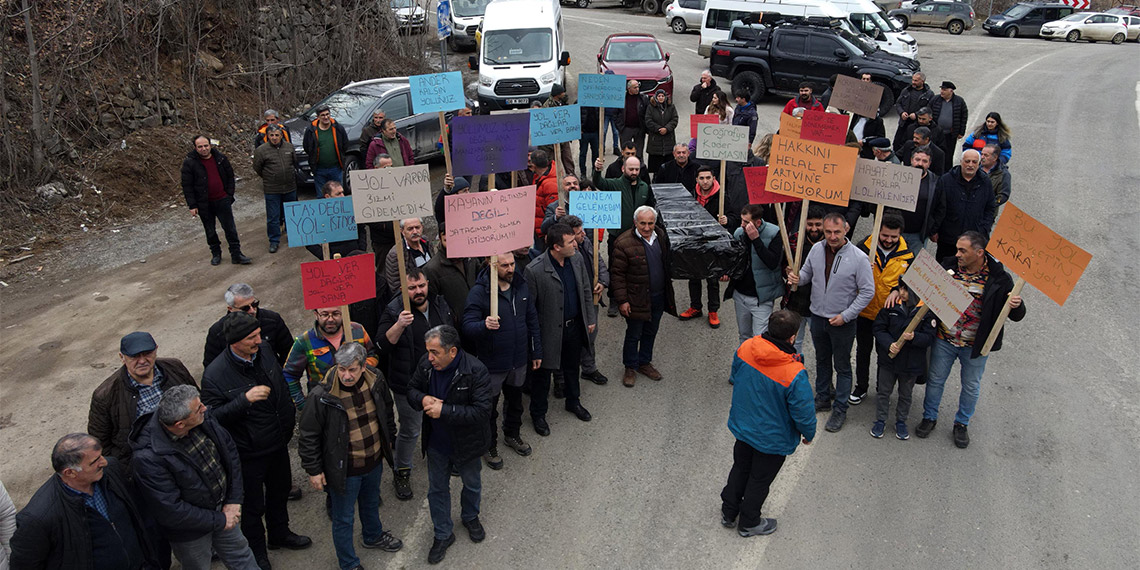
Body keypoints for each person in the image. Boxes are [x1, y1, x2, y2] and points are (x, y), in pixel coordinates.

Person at [201, 312, 311, 568]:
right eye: (252, 337)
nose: (259, 341)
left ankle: (279, 534)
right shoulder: (215, 375)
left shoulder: (264, 350)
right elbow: (212, 418)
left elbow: (281, 382)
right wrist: (244, 400)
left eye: (259, 335)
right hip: (248, 453)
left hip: (277, 441)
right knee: (252, 507)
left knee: (280, 491)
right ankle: (258, 552)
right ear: (234, 342)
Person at [297, 342, 403, 569]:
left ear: (364, 366)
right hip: (344, 469)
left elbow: (386, 408)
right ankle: (348, 562)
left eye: (352, 370)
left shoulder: (376, 379)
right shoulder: (321, 395)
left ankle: (372, 536)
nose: (346, 375)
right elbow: (308, 435)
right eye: (341, 369)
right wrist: (314, 470)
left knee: (371, 502)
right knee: (343, 519)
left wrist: (390, 436)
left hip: (374, 459)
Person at [917, 232, 1026, 448]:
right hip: (944, 339)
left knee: (970, 386)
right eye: (957, 249)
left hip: (976, 345)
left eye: (962, 250)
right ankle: (929, 417)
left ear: (979, 253)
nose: (956, 254)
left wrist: (1017, 304)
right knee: (936, 380)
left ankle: (961, 424)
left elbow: (1016, 315)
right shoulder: (948, 266)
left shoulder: (1000, 279)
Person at [130, 385, 258, 570]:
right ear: (180, 424)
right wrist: (220, 520)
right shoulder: (148, 459)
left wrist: (234, 499)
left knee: (241, 556)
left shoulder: (201, 419)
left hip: (224, 510)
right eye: (198, 409)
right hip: (190, 533)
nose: (205, 408)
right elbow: (171, 510)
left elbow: (230, 454)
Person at [719, 310, 815, 537]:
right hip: (772, 438)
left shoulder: (747, 347)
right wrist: (808, 433)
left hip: (743, 426)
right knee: (759, 479)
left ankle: (729, 511)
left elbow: (735, 374)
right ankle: (749, 521)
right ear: (792, 337)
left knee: (740, 467)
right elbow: (803, 412)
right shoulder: (793, 372)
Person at [406, 325, 493, 565]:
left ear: (452, 351)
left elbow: (482, 411)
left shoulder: (476, 371)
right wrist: (422, 398)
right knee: (437, 490)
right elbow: (411, 389)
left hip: (468, 443)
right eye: (428, 352)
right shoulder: (426, 365)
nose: (429, 357)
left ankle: (470, 516)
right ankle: (443, 534)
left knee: (472, 483)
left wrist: (445, 410)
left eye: (435, 352)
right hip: (437, 443)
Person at [10, 433, 158, 570]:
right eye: (95, 461)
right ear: (70, 472)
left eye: (101, 455)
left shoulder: (111, 470)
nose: (104, 462)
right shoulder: (38, 518)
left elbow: (138, 515)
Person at [786, 213, 874, 433]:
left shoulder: (859, 258)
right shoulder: (816, 249)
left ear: (846, 229)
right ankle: (823, 397)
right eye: (828, 232)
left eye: (837, 231)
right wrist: (796, 277)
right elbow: (806, 275)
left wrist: (846, 315)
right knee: (822, 360)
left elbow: (867, 291)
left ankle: (840, 409)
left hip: (842, 322)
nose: (832, 236)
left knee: (842, 366)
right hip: (817, 316)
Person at [377, 268, 454, 500]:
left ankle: (443, 456)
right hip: (409, 384)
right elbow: (381, 346)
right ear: (403, 289)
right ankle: (402, 471)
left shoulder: (439, 303)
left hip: (441, 379)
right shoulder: (393, 311)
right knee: (410, 430)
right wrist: (399, 325)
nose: (418, 291)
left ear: (427, 284)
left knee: (442, 420)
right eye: (412, 288)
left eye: (421, 286)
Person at [462, 254, 542, 468]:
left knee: (515, 402)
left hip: (518, 359)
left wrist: (536, 351)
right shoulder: (480, 292)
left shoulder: (521, 285)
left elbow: (532, 318)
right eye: (504, 265)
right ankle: (489, 445)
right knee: (489, 407)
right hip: (493, 363)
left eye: (512, 264)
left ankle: (512, 434)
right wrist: (483, 325)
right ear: (492, 265)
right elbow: (467, 326)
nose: (510, 268)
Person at [524, 223, 597, 428]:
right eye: (571, 241)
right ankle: (538, 414)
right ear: (557, 246)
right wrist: (534, 341)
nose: (576, 244)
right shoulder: (534, 270)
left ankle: (573, 402)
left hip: (573, 327)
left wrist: (589, 318)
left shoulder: (577, 259)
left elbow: (584, 288)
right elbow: (530, 310)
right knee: (543, 375)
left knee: (572, 368)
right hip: (548, 332)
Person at [89, 331, 197, 467]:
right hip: (150, 462)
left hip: (190, 443)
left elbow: (198, 402)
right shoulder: (105, 395)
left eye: (147, 354)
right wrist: (129, 470)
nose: (142, 361)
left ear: (156, 350)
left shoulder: (174, 368)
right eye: (134, 356)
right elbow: (100, 443)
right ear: (122, 357)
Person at [850, 213, 915, 406]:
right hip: (863, 311)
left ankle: (882, 390)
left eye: (893, 237)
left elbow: (911, 284)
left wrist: (897, 290)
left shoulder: (909, 255)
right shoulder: (861, 248)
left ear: (900, 235)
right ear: (878, 231)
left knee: (885, 353)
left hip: (888, 316)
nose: (888, 240)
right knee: (863, 351)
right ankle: (861, 386)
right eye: (885, 235)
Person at [611, 206, 677, 387]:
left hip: (658, 296)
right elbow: (617, 275)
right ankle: (630, 367)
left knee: (651, 331)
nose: (647, 228)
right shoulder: (623, 243)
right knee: (634, 334)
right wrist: (622, 301)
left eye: (650, 223)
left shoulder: (661, 236)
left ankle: (644, 363)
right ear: (635, 223)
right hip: (635, 299)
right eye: (643, 223)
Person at [870, 280, 936, 440]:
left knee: (906, 394)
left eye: (906, 289)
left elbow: (930, 337)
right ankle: (880, 420)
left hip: (911, 364)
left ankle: (901, 421)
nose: (901, 292)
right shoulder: (891, 305)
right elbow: (879, 328)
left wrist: (915, 337)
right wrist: (888, 344)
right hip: (889, 360)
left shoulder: (926, 311)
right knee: (884, 392)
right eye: (900, 288)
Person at [594, 154, 656, 318]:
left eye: (637, 169)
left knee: (636, 269)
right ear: (623, 169)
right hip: (617, 237)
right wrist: (597, 170)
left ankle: (635, 298)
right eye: (631, 169)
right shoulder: (615, 184)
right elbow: (598, 183)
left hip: (638, 237)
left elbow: (650, 208)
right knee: (616, 269)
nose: (634, 172)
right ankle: (614, 300)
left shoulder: (644, 187)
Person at [282, 307, 378, 408]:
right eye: (324, 314)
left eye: (336, 314)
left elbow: (372, 355)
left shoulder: (357, 330)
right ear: (316, 315)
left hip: (359, 402)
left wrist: (358, 368)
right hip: (325, 407)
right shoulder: (304, 341)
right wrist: (302, 404)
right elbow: (289, 375)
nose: (331, 319)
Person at [181, 135, 250, 266]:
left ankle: (236, 254)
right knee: (210, 230)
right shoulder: (190, 163)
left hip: (222, 199)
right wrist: (192, 205)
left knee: (230, 229)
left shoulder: (221, 158)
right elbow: (187, 186)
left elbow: (230, 177)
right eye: (200, 147)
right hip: (204, 203)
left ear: (210, 145)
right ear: (195, 148)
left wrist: (229, 194)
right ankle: (216, 254)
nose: (203, 149)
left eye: (206, 146)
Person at [678, 167, 729, 328]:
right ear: (697, 180)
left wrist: (727, 221)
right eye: (702, 178)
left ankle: (713, 310)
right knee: (693, 277)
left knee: (712, 279)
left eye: (708, 177)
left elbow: (735, 216)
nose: (705, 181)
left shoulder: (722, 197)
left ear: (714, 178)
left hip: (713, 244)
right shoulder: (691, 196)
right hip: (694, 242)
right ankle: (695, 307)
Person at [564, 215, 610, 386]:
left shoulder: (586, 242)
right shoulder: (565, 253)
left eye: (582, 230)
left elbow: (599, 262)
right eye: (578, 233)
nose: (583, 234)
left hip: (592, 298)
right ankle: (564, 377)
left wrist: (603, 282)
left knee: (591, 334)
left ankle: (589, 368)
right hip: (574, 302)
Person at [204, 283, 293, 369]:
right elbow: (212, 368)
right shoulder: (217, 332)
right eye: (245, 308)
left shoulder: (272, 320)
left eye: (254, 304)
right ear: (230, 309)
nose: (252, 310)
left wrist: (281, 376)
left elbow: (289, 352)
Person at [730, 204, 785, 345]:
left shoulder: (774, 233)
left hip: (761, 299)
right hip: (741, 295)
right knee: (744, 336)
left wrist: (756, 240)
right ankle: (745, 365)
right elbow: (734, 260)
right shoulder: (738, 233)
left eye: (746, 222)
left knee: (760, 340)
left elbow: (772, 263)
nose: (742, 225)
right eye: (742, 220)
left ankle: (758, 366)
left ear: (758, 222)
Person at [929, 149, 996, 260]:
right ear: (961, 162)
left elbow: (990, 208)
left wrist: (984, 229)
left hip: (973, 240)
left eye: (974, 162)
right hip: (948, 238)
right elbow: (936, 206)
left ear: (979, 164)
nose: (970, 165)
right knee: (944, 269)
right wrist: (934, 230)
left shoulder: (985, 182)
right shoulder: (946, 180)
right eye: (967, 161)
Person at [778, 206, 825, 352]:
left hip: (818, 304)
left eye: (818, 224)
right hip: (795, 301)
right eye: (810, 224)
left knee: (821, 345)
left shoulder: (830, 245)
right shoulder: (794, 240)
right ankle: (795, 372)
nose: (814, 228)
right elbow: (783, 265)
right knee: (793, 343)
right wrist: (787, 272)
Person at [252, 125, 297, 254]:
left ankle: (293, 236)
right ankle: (274, 240)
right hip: (272, 189)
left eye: (277, 135)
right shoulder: (261, 150)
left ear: (281, 135)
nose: (274, 138)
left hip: (290, 187)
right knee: (273, 216)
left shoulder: (289, 147)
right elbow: (257, 168)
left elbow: (294, 163)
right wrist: (270, 177)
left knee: (291, 214)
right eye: (271, 135)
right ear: (267, 136)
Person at [423, 224, 481, 325]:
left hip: (478, 318)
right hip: (455, 325)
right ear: (440, 239)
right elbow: (433, 304)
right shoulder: (432, 269)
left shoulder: (471, 258)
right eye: (446, 239)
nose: (451, 242)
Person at [304, 181, 367, 260]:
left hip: (356, 255)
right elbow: (309, 241)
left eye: (342, 192)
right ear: (327, 196)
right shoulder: (320, 216)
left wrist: (361, 250)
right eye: (338, 194)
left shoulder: (350, 209)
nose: (343, 196)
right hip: (335, 259)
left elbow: (361, 229)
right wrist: (327, 257)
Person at [302, 106, 348, 192]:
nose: (326, 117)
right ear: (318, 117)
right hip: (319, 169)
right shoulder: (311, 130)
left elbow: (345, 144)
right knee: (321, 196)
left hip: (336, 168)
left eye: (327, 114)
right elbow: (307, 147)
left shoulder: (338, 128)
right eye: (323, 115)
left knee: (337, 194)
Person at [900, 148, 938, 249]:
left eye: (924, 161)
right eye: (917, 159)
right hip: (896, 232)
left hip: (918, 236)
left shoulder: (935, 182)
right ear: (911, 160)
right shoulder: (899, 176)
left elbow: (939, 208)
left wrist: (932, 229)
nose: (920, 163)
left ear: (929, 163)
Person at [383, 217, 433, 295]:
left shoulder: (426, 242)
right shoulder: (396, 254)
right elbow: (395, 285)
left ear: (422, 227)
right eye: (410, 229)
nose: (415, 231)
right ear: (402, 231)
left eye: (417, 227)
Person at [929, 81, 968, 168]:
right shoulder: (935, 100)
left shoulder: (959, 101)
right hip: (936, 134)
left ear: (951, 91)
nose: (942, 91)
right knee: (934, 153)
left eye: (944, 89)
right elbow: (928, 112)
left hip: (950, 134)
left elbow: (963, 117)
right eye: (941, 89)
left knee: (948, 155)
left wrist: (961, 132)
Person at [892, 72, 934, 150]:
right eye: (913, 80)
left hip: (916, 125)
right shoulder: (906, 90)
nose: (913, 82)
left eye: (916, 81)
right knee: (897, 143)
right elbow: (898, 103)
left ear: (922, 81)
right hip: (903, 123)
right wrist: (901, 112)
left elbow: (929, 109)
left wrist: (916, 115)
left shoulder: (929, 94)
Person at [542, 84, 576, 175]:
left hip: (564, 138)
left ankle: (571, 175)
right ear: (557, 94)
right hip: (552, 141)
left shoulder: (563, 102)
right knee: (553, 162)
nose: (564, 94)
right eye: (562, 92)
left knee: (568, 159)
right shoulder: (548, 106)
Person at [643, 89, 679, 174]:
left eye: (662, 96)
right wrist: (658, 129)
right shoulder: (650, 107)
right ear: (656, 97)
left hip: (668, 138)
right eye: (659, 96)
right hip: (655, 139)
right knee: (655, 163)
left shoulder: (671, 107)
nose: (661, 98)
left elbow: (674, 119)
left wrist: (667, 128)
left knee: (668, 163)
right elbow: (648, 120)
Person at [530, 149, 560, 247]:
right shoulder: (539, 177)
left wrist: (549, 232)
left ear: (533, 165)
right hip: (540, 228)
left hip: (546, 233)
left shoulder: (550, 184)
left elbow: (554, 211)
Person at [618, 80, 647, 158]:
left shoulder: (643, 98)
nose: (637, 89)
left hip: (639, 129)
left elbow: (647, 113)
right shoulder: (622, 98)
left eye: (638, 87)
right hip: (626, 129)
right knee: (626, 152)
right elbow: (616, 113)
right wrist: (619, 126)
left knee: (639, 152)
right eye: (635, 87)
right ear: (629, 88)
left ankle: (639, 167)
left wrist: (644, 127)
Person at [580, 103, 600, 177]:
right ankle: (583, 173)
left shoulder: (597, 102)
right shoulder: (579, 102)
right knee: (583, 154)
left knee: (595, 153)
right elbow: (575, 115)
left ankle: (594, 171)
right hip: (584, 132)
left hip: (595, 132)